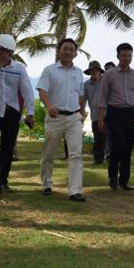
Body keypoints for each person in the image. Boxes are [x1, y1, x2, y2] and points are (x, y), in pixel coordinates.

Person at [0, 34, 35, 198]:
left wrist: (30, 113)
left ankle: (3, 180)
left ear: (8, 52)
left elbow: (27, 91)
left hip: (12, 111)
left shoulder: (19, 69)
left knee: (7, 147)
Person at [37, 38, 86, 202]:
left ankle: (75, 191)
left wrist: (81, 113)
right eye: (65, 49)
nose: (68, 52)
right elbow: (42, 91)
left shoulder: (78, 72)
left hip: (73, 117)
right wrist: (49, 106)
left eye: (71, 50)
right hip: (55, 117)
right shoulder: (49, 70)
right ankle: (47, 184)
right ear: (58, 51)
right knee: (49, 153)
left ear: (75, 53)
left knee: (76, 154)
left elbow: (80, 95)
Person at [98, 44, 134, 191]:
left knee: (128, 147)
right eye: (124, 55)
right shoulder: (109, 74)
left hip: (130, 113)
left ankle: (124, 180)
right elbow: (102, 97)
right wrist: (101, 119)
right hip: (114, 113)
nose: (126, 58)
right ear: (118, 56)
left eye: (129, 56)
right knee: (118, 144)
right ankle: (112, 177)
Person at [83, 61, 105, 164]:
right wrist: (81, 116)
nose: (94, 72)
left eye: (96, 70)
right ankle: (98, 159)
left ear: (100, 71)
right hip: (95, 115)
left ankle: (110, 156)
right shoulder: (86, 85)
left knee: (109, 137)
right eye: (92, 70)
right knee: (98, 138)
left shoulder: (105, 82)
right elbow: (83, 101)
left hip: (108, 114)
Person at [102, 61, 116, 160]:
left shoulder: (120, 80)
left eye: (110, 69)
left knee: (116, 136)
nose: (108, 72)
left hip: (117, 113)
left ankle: (115, 155)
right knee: (107, 135)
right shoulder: (102, 82)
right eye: (106, 70)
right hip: (105, 113)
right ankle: (108, 154)